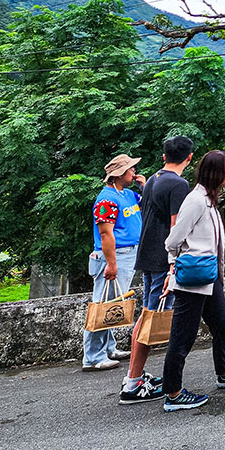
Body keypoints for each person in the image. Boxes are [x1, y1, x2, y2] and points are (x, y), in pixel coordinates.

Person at [161, 150, 225, 412]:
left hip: (210, 278)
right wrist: (177, 263)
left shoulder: (210, 200)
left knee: (222, 325)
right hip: (194, 279)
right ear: (216, 172)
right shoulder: (195, 201)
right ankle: (173, 392)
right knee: (183, 337)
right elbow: (172, 240)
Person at [120, 136, 194, 404]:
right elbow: (177, 227)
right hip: (163, 258)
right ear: (189, 158)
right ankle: (133, 382)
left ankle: (136, 376)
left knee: (147, 316)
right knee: (150, 320)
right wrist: (175, 263)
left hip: (147, 254)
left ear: (164, 157)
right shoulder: (179, 185)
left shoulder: (153, 179)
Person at [83, 154, 145, 372]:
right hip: (114, 255)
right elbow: (105, 234)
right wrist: (111, 263)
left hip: (128, 254)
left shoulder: (127, 194)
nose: (134, 172)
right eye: (130, 170)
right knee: (103, 305)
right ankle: (92, 357)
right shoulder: (106, 199)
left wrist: (143, 186)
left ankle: (108, 348)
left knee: (113, 304)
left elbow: (148, 204)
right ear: (119, 174)